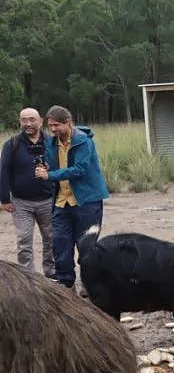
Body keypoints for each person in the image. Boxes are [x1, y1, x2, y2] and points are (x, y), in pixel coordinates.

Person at [34, 106, 109, 289]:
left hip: (86, 200)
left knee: (86, 245)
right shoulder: (51, 143)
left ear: (67, 122)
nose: (52, 129)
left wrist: (49, 176)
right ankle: (66, 284)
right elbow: (53, 165)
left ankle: (88, 283)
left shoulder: (83, 141)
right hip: (61, 200)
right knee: (60, 244)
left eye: (56, 125)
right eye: (50, 126)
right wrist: (44, 167)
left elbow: (80, 169)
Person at [1, 108, 55, 277]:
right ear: (20, 122)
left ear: (40, 121)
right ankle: (28, 277)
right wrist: (4, 199)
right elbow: (4, 172)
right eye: (24, 120)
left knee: (51, 239)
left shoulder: (51, 142)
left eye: (32, 119)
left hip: (48, 200)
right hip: (21, 202)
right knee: (24, 242)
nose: (28, 124)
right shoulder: (12, 144)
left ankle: (51, 274)